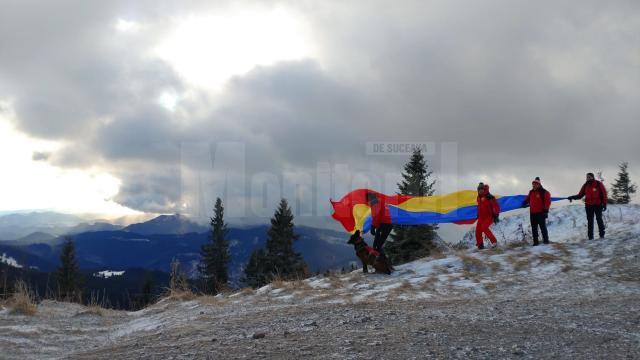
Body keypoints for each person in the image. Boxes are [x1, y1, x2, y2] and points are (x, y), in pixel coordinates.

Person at [567, 172, 608, 239]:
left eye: (589, 177)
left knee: (599, 219)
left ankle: (602, 235)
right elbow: (580, 195)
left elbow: (604, 194)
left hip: (598, 205)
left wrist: (604, 204)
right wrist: (572, 197)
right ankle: (590, 237)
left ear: (592, 177)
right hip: (589, 205)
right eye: (587, 177)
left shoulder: (598, 184)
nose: (588, 178)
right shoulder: (585, 185)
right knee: (590, 221)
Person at [522, 177, 551, 245]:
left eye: (535, 184)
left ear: (539, 184)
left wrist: (545, 211)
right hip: (532, 214)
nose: (534, 185)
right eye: (533, 184)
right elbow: (527, 199)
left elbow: (548, 202)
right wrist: (524, 203)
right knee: (534, 229)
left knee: (543, 228)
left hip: (541, 213)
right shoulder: (531, 192)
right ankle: (535, 243)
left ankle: (546, 242)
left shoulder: (545, 192)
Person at [366, 192, 393, 259]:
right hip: (387, 224)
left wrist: (373, 226)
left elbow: (376, 215)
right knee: (377, 245)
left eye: (367, 199)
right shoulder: (381, 200)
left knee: (377, 246)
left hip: (384, 224)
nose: (368, 201)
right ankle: (382, 263)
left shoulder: (375, 202)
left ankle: (384, 263)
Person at [476, 183, 500, 250]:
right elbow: (478, 206)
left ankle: (494, 242)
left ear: (484, 189)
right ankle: (480, 245)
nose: (480, 191)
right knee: (478, 230)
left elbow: (496, 206)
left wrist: (496, 215)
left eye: (481, 189)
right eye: (479, 190)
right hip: (481, 217)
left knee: (484, 227)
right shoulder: (478, 197)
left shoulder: (489, 197)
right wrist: (477, 214)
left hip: (489, 217)